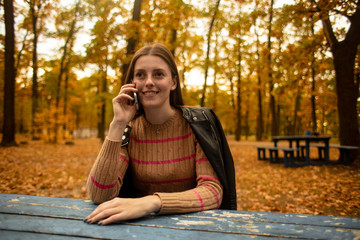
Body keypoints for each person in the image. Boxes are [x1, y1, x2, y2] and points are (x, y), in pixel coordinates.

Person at [84, 43, 236, 226]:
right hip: (139, 229)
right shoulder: (129, 130)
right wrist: (118, 124)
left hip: (193, 227)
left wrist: (152, 202)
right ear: (132, 84)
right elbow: (99, 195)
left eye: (158, 74)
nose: (148, 81)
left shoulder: (196, 126)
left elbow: (212, 192)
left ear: (173, 82)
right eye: (140, 75)